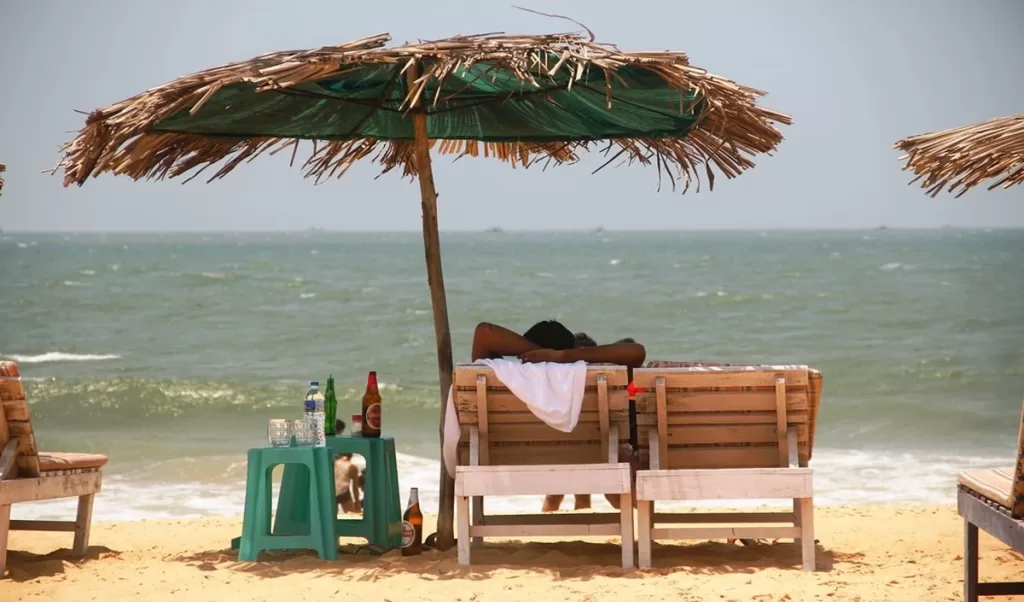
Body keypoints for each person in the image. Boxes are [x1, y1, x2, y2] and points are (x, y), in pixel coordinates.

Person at [471, 320, 645, 512]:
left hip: (519, 466)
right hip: (590, 462)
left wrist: (533, 353)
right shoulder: (588, 379)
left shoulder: (507, 378)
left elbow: (484, 332)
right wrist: (563, 357)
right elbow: (636, 352)